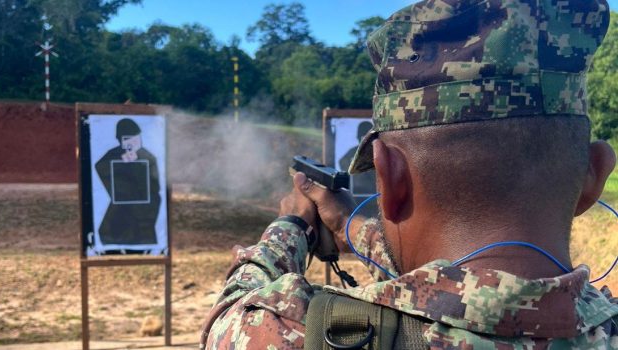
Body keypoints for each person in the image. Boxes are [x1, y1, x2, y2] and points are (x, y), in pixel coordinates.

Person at [201, 0, 618, 348]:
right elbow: (462, 276)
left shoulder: (295, 335)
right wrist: (348, 225)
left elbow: (232, 309)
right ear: (594, 176)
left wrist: (291, 224)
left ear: (388, 178)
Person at [94, 118, 161, 246]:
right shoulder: (115, 153)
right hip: (121, 204)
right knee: (108, 231)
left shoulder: (146, 155)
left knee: (143, 233)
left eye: (135, 139)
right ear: (120, 140)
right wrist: (120, 161)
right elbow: (100, 167)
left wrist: (139, 161)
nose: (132, 143)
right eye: (127, 139)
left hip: (142, 206)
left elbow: (154, 184)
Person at [339, 121, 377, 195]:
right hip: (357, 191)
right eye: (362, 137)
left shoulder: (377, 152)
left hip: (374, 191)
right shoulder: (353, 151)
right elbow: (342, 162)